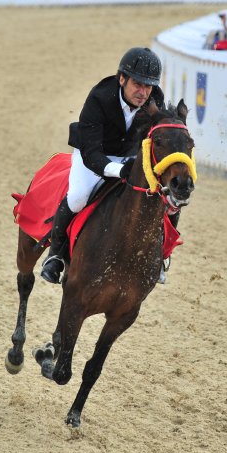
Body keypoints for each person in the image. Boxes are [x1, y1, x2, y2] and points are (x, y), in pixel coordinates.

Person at [40, 47, 166, 284]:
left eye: (148, 86)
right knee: (78, 196)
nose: (143, 92)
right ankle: (55, 255)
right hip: (93, 153)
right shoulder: (99, 98)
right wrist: (119, 170)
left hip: (129, 156)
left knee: (161, 198)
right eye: (138, 84)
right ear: (122, 78)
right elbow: (92, 153)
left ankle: (159, 258)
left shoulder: (154, 99)